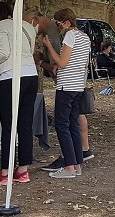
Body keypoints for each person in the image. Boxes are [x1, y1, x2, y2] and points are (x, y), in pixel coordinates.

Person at [0, 3, 39, 185]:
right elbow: (29, 51)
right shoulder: (27, 26)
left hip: (10, 75)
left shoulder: (1, 26)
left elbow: (4, 53)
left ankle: (5, 171)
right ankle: (23, 169)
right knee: (25, 123)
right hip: (31, 75)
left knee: (8, 125)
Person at [33, 10, 95, 170]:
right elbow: (84, 63)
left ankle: (69, 165)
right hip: (78, 86)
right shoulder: (85, 37)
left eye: (59, 24)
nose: (57, 28)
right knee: (73, 123)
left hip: (66, 85)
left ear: (67, 22)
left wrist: (48, 46)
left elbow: (62, 62)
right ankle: (77, 163)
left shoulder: (70, 35)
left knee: (62, 124)